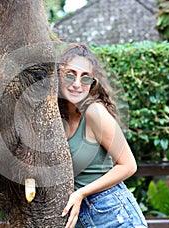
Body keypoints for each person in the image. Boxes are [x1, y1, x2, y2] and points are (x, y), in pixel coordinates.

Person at [57, 43, 147, 228]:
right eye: (70, 75)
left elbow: (128, 165)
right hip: (84, 218)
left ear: (92, 82)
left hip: (113, 214)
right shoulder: (57, 119)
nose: (76, 84)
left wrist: (81, 193)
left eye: (85, 78)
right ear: (58, 75)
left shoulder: (93, 112)